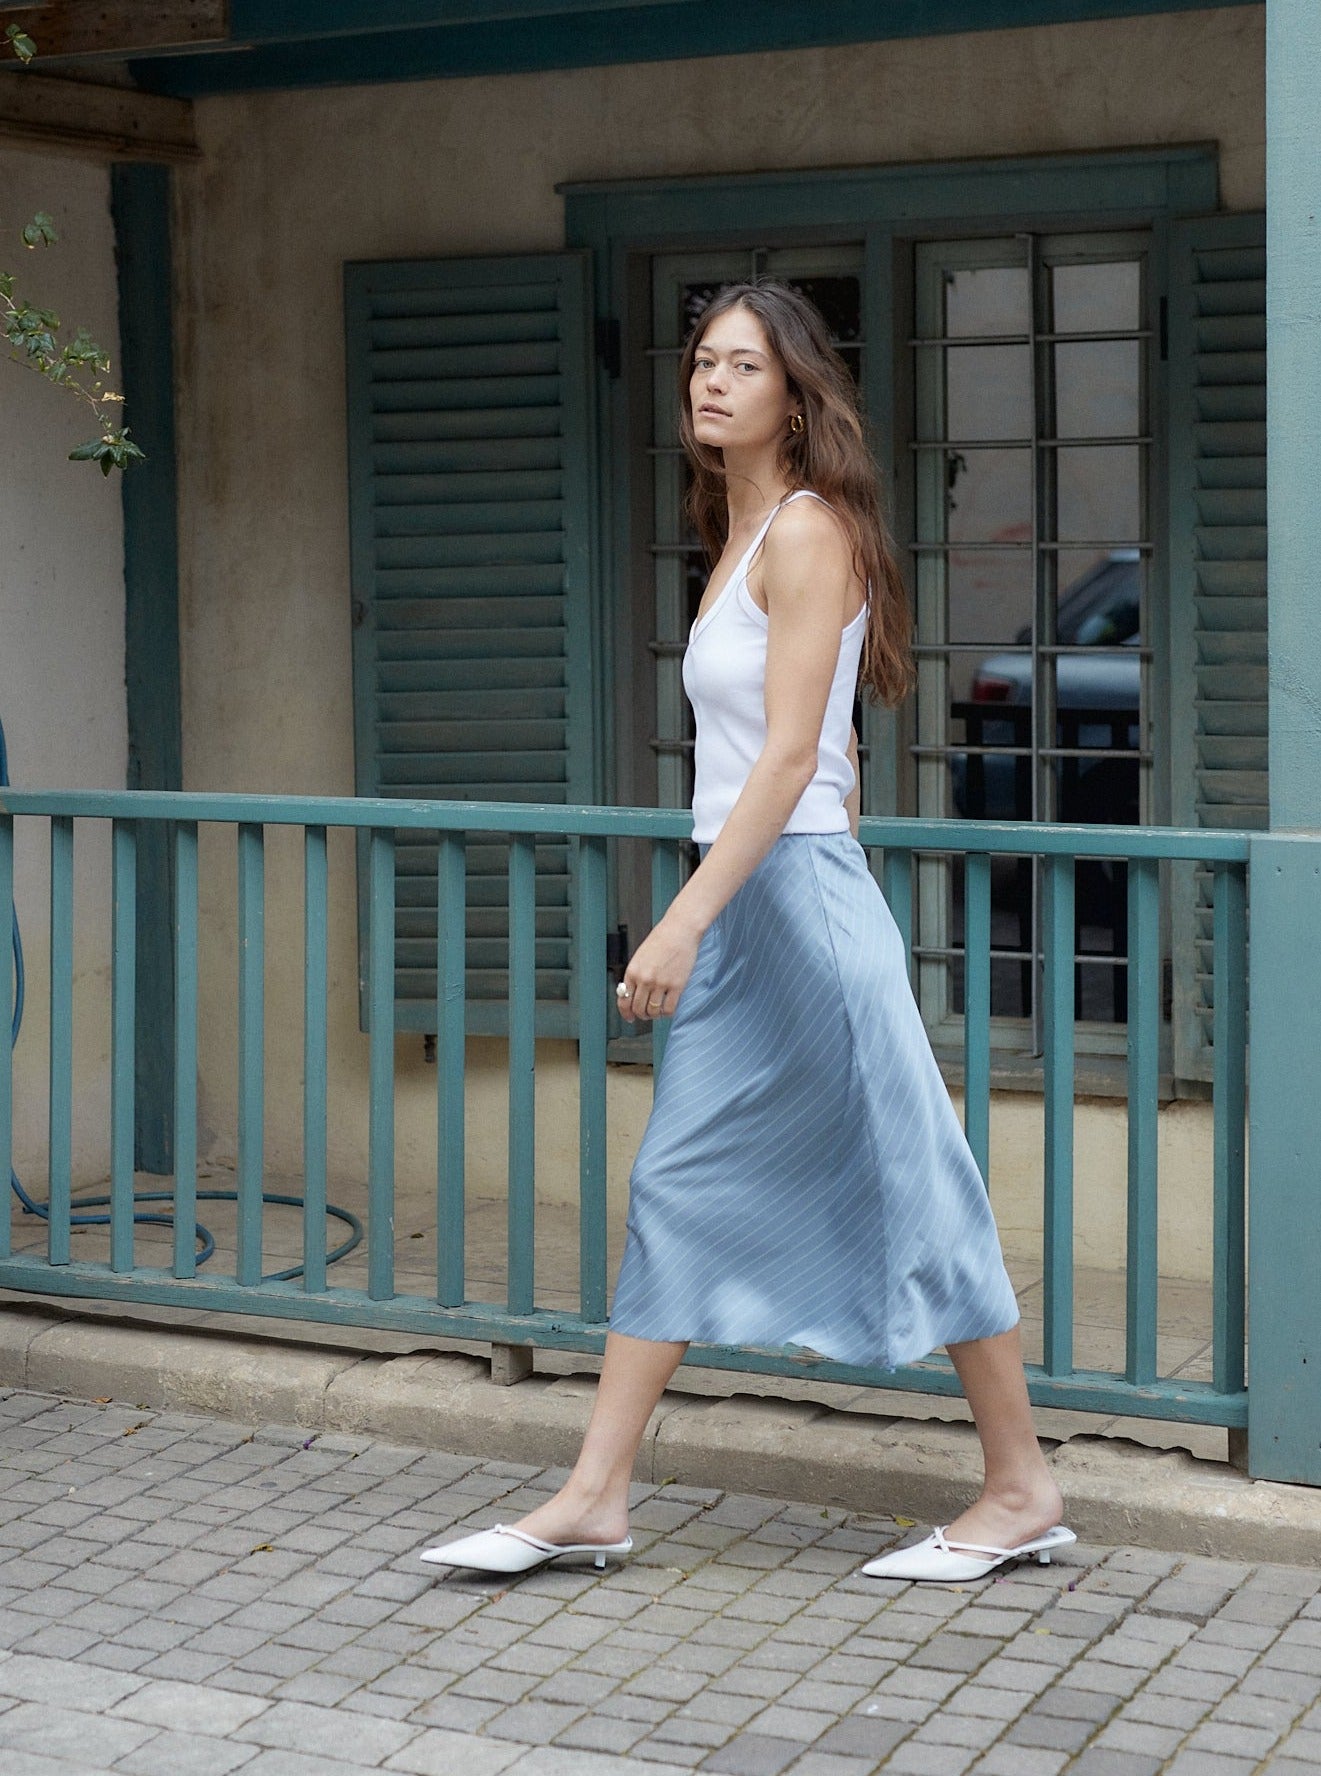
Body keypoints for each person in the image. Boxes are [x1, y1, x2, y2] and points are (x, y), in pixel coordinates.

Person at [419, 281, 1073, 1585]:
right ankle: (595, 1493)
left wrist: (678, 922)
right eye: (699, 364)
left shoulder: (806, 532)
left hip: (795, 900)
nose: (709, 384)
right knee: (676, 1183)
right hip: (747, 899)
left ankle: (1017, 1486)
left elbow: (787, 762)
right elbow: (780, 755)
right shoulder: (734, 533)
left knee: (916, 1178)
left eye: (740, 365)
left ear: (794, 390)